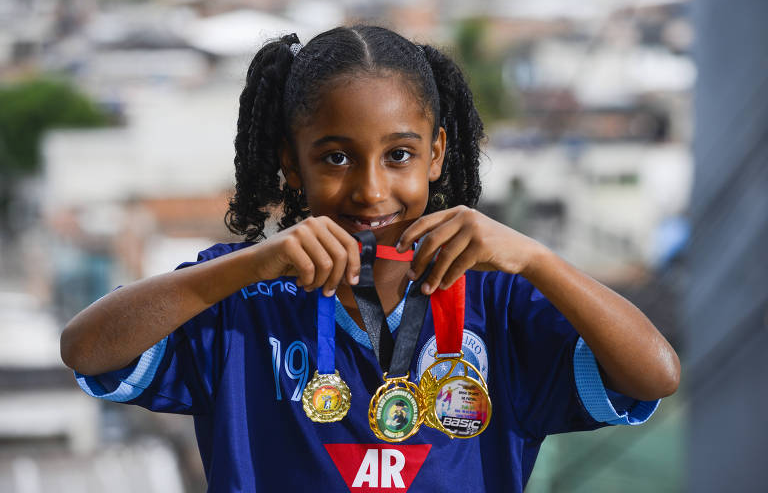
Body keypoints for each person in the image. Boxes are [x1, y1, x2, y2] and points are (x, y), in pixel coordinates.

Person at [60, 25, 680, 492]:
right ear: (288, 162)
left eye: (399, 155)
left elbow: (655, 374)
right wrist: (246, 265)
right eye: (335, 157)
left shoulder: (498, 299)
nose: (371, 190)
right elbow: (85, 350)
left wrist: (539, 261)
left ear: (437, 154)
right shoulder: (238, 298)